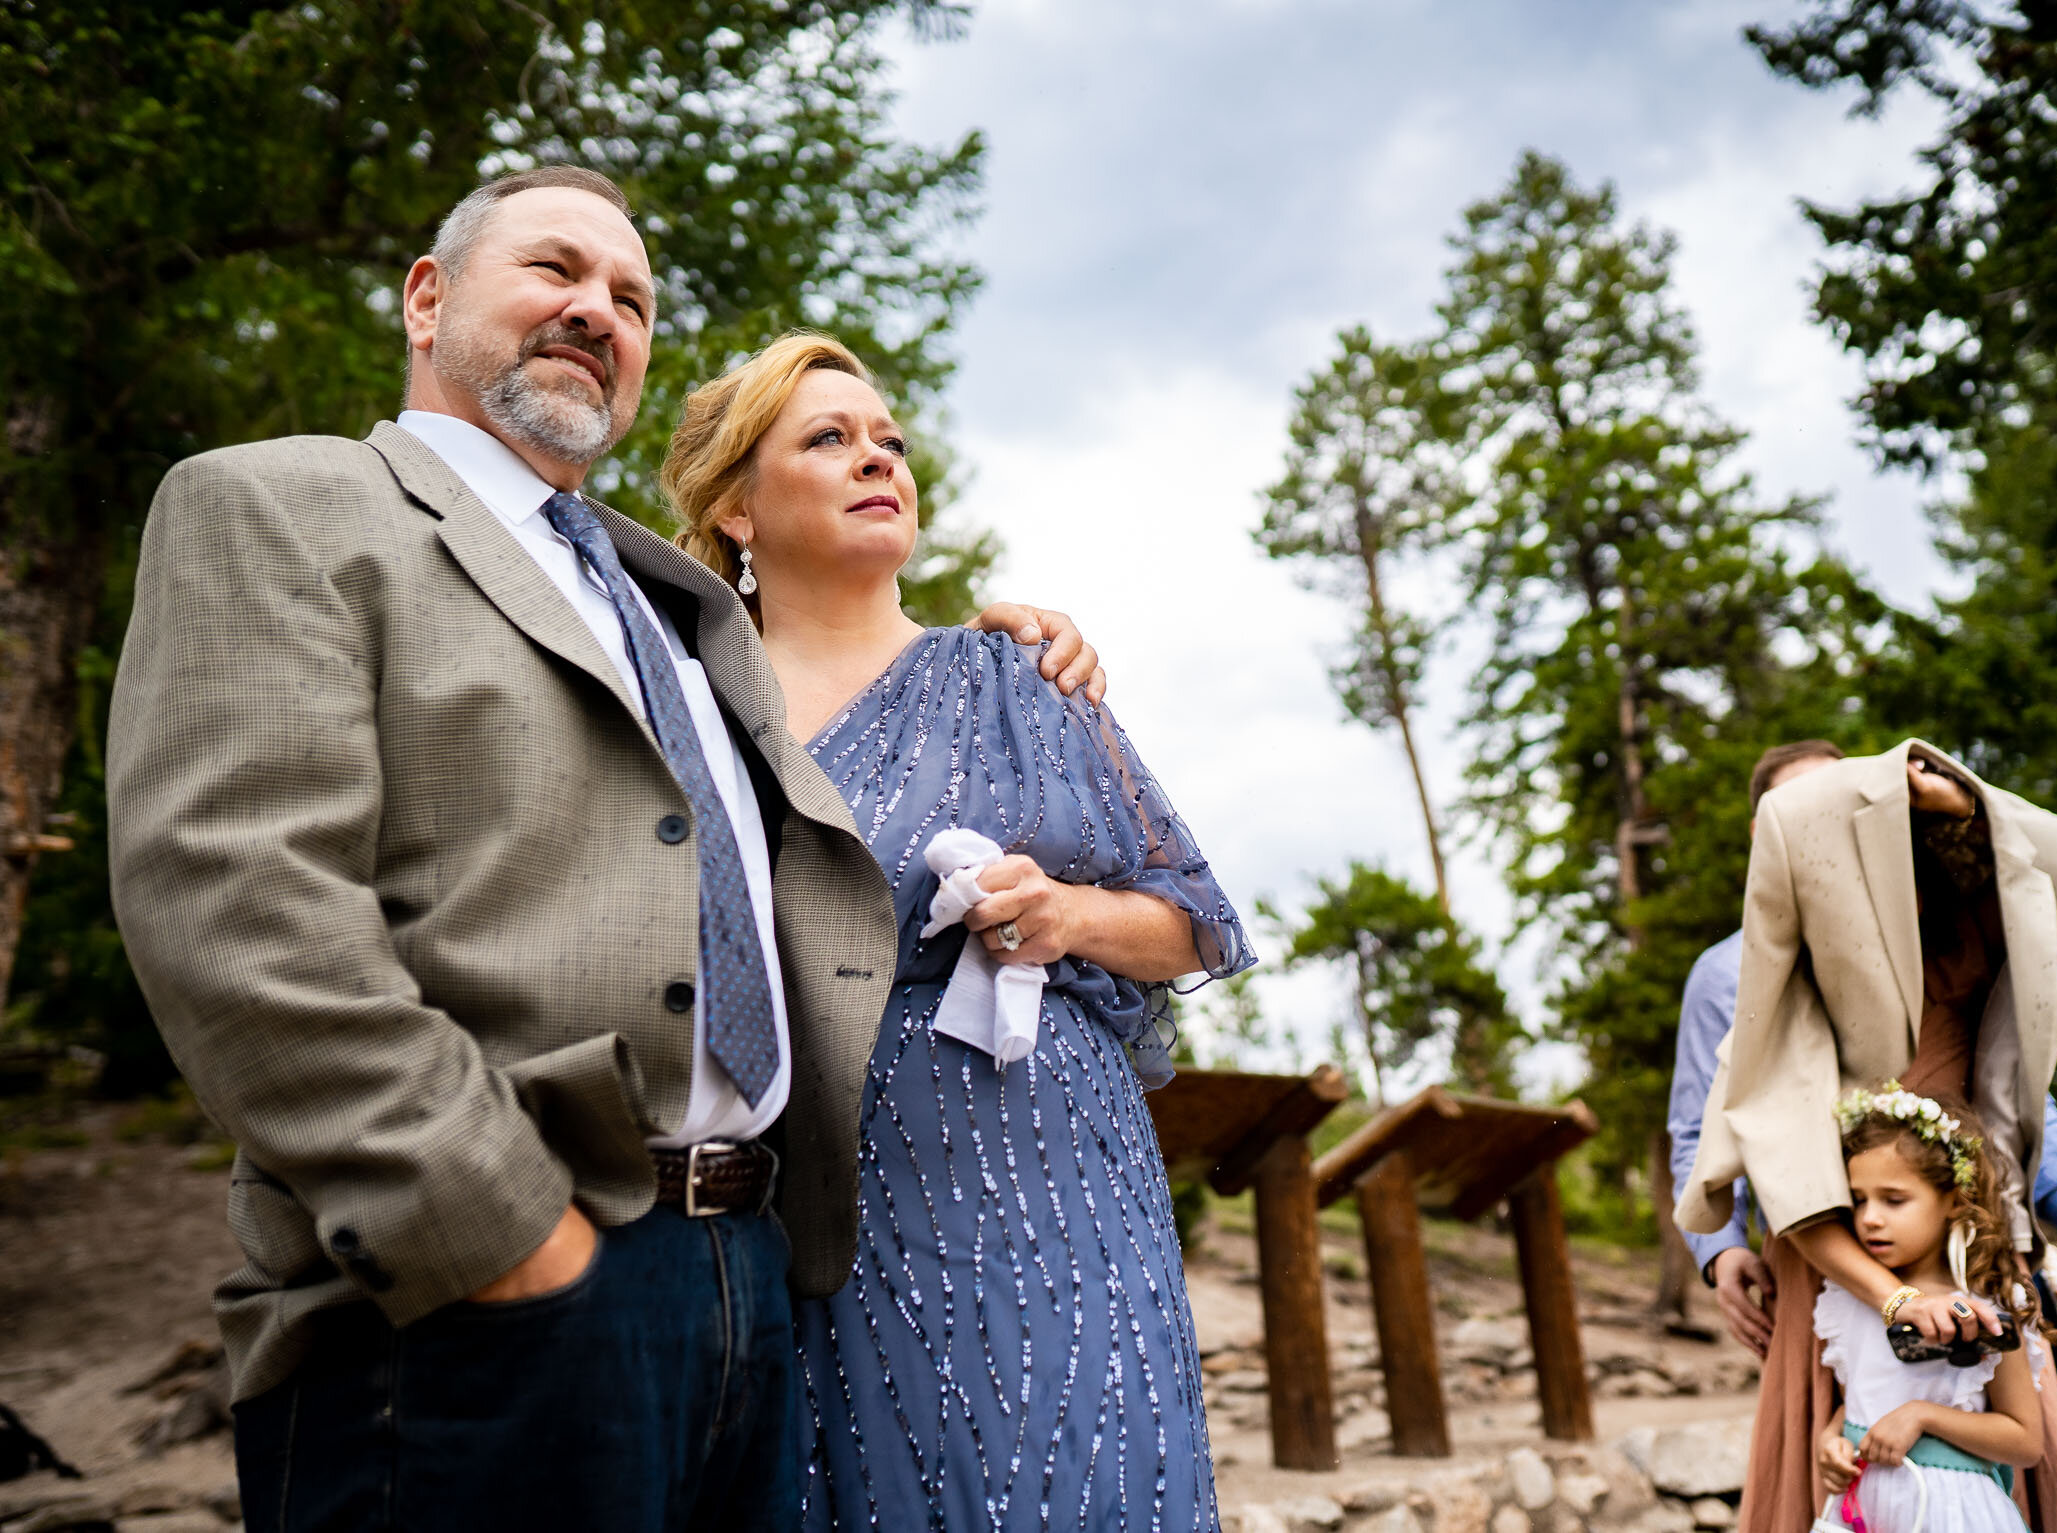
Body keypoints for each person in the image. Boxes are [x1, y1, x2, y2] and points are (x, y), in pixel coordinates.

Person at [106, 166, 1106, 1533]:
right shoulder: (281, 506)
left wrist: (1001, 641)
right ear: (426, 296)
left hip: (747, 1288)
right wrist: (504, 1236)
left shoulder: (677, 603)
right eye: (555, 272)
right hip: (470, 1292)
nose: (598, 311)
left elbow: (839, 683)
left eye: (631, 299)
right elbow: (235, 899)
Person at [658, 332, 1252, 1531]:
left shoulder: (1020, 675)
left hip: (1058, 1190)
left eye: (890, 440)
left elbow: (1194, 921)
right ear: (735, 508)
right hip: (823, 1198)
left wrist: (1066, 915)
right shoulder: (681, 713)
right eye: (828, 439)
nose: (877, 459)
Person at [1666, 743, 2057, 1531]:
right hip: (1834, 1247)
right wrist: (1721, 1252)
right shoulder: (1743, 969)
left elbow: (2016, 1086)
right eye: (1804, 810)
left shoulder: (1951, 927)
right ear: (1765, 833)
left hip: (1978, 1230)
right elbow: (1719, 1124)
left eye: (1850, 802)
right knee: (1852, 1461)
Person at [1813, 1085, 2047, 1533]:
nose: (1870, 1218)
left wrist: (1922, 1415)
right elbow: (1863, 1397)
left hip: (1949, 1512)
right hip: (1865, 1507)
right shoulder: (1854, 1297)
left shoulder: (1987, 1302)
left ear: (1954, 1199)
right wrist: (1832, 1440)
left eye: (1893, 1199)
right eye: (1859, 1200)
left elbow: (2026, 1440)